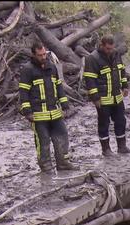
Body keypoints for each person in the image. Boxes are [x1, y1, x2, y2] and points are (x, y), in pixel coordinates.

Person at [18, 42, 78, 173]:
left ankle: (63, 162)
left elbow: (58, 86)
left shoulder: (51, 66)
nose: (43, 57)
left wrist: (65, 104)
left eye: (44, 54)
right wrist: (27, 112)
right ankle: (46, 166)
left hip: (54, 112)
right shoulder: (27, 70)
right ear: (33, 55)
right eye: (40, 55)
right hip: (38, 114)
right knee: (43, 140)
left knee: (62, 135)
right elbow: (23, 92)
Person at [83, 34, 130, 156]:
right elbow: (90, 80)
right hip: (103, 98)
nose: (110, 51)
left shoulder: (116, 54)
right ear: (101, 45)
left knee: (121, 121)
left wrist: (125, 86)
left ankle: (122, 146)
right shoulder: (92, 59)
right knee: (104, 123)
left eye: (112, 48)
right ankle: (106, 149)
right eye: (107, 49)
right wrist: (95, 98)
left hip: (117, 96)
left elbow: (121, 70)